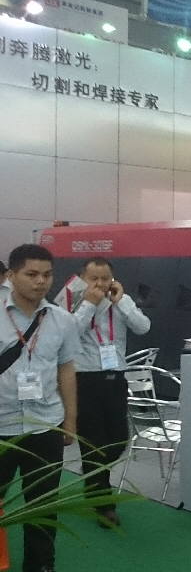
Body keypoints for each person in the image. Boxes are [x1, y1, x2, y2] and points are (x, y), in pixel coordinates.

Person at [0, 244, 80, 572]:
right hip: (1, 427)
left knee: (44, 505)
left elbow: (66, 370)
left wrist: (70, 420)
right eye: (31, 274)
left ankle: (41, 566)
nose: (41, 282)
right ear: (11, 275)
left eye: (47, 275)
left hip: (45, 424)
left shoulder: (62, 320)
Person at [71, 257, 151, 528]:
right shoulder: (73, 302)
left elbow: (143, 327)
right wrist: (89, 304)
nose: (100, 283)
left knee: (118, 440)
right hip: (85, 380)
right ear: (83, 279)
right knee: (93, 442)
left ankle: (92, 472)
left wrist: (122, 302)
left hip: (115, 379)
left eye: (105, 278)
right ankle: (103, 505)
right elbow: (70, 333)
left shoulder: (120, 302)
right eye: (94, 278)